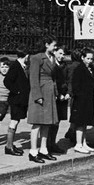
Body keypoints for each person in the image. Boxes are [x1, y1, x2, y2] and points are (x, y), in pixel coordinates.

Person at [27, 35, 60, 164]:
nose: (55, 47)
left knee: (47, 123)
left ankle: (43, 149)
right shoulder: (36, 58)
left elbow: (53, 78)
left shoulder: (51, 58)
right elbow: (33, 78)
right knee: (37, 123)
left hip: (49, 92)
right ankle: (33, 151)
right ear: (46, 44)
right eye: (53, 45)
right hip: (41, 93)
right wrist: (37, 96)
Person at [70, 48, 94, 154]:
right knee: (80, 123)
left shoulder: (89, 68)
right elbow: (75, 85)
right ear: (82, 58)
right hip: (81, 100)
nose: (90, 61)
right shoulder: (79, 69)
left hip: (87, 99)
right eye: (88, 58)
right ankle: (78, 144)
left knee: (85, 122)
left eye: (91, 59)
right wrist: (80, 96)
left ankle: (84, 142)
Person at [4, 49, 30, 156]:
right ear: (26, 55)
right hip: (16, 99)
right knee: (14, 121)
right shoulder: (16, 66)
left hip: (20, 99)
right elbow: (7, 81)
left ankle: (10, 145)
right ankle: (8, 146)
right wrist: (17, 90)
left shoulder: (22, 66)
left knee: (16, 121)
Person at [49, 46, 69, 154]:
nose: (62, 56)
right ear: (55, 52)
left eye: (63, 54)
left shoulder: (65, 66)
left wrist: (67, 93)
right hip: (54, 96)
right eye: (60, 53)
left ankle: (53, 142)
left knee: (58, 121)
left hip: (63, 97)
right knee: (52, 121)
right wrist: (58, 94)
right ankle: (49, 143)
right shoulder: (51, 65)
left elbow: (68, 79)